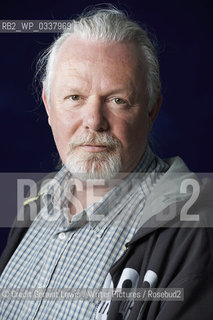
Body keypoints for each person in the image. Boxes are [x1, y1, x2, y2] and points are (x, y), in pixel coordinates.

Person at [0, 6, 213, 320]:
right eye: (75, 97)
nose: (94, 121)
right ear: (48, 106)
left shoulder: (194, 232)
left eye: (117, 100)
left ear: (151, 110)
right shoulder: (34, 204)